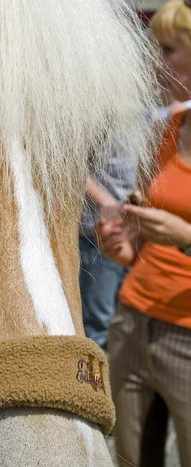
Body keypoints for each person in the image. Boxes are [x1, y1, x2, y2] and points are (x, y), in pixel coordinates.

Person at [98, 0, 191, 467]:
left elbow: (178, 233)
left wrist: (186, 237)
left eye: (168, 50)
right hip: (133, 320)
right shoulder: (169, 127)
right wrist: (123, 247)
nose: (155, 65)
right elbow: (143, 241)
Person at [79, 147, 137, 351]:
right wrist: (106, 203)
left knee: (125, 316)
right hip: (98, 232)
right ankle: (93, 380)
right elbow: (71, 163)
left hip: (131, 231)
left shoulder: (151, 115)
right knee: (98, 320)